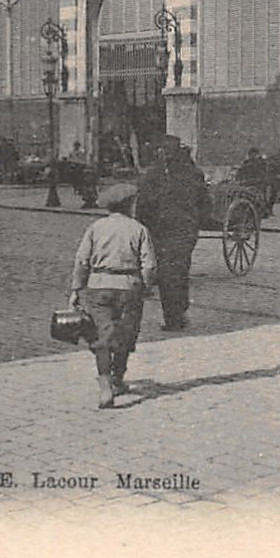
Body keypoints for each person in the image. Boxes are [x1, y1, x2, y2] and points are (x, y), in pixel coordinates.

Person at [68, 183, 157, 408]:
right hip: (130, 287)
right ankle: (118, 379)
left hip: (99, 288)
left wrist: (76, 290)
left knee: (103, 336)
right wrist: (146, 287)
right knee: (126, 334)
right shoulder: (139, 229)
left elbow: (81, 262)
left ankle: (105, 383)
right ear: (129, 205)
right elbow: (149, 266)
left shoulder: (95, 228)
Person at [137, 135, 208, 332]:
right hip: (183, 230)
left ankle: (173, 316)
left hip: (163, 230)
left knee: (167, 273)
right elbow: (204, 203)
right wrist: (196, 222)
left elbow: (143, 206)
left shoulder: (153, 174)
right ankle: (177, 313)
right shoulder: (193, 173)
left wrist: (144, 225)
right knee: (178, 271)